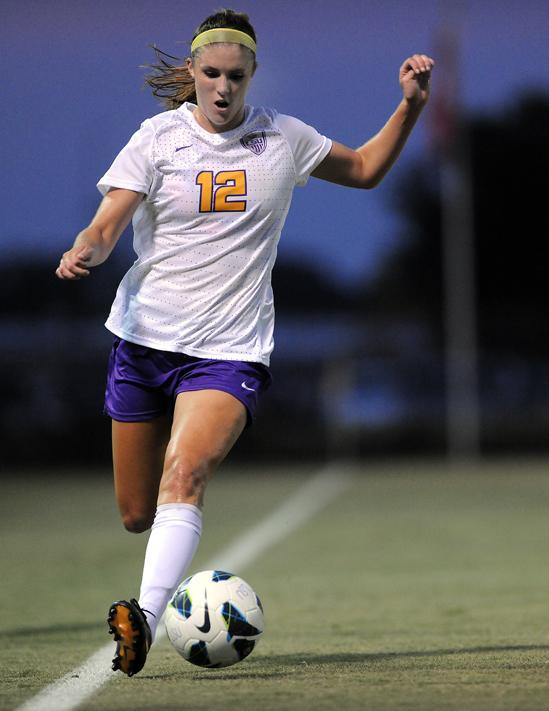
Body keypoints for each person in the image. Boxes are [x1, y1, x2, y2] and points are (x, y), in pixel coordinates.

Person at [56, 8, 434, 677]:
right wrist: (86, 248)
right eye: (210, 74)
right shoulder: (156, 139)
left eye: (235, 75)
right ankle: (151, 583)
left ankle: (140, 619)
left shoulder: (283, 138)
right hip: (143, 344)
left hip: (230, 350)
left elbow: (369, 168)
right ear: (193, 74)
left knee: (187, 473)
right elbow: (107, 221)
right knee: (136, 513)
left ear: (253, 75)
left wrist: (410, 106)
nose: (223, 87)